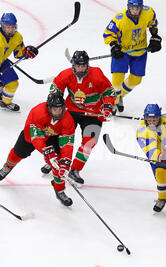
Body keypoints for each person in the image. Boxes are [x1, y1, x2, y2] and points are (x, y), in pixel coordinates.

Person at [41, 50, 115, 185]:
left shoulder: (97, 74)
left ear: (87, 65)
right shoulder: (66, 74)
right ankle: (55, 160)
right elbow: (55, 88)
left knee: (89, 142)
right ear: (73, 65)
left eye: (83, 65)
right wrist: (56, 102)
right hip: (71, 110)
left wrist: (108, 106)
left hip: (93, 113)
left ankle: (74, 170)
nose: (80, 68)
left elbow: (109, 91)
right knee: (61, 135)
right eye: (78, 65)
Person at [0, 92, 75, 206]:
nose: (58, 112)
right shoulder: (38, 112)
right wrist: (47, 151)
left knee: (59, 163)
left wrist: (65, 161)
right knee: (17, 153)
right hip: (31, 136)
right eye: (55, 109)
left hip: (52, 137)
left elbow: (67, 143)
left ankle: (59, 190)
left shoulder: (68, 120)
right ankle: (7, 166)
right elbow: (36, 138)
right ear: (48, 107)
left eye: (60, 109)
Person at [103, 0, 161, 113]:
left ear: (141, 7)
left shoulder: (148, 12)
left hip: (140, 52)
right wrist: (114, 46)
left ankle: (119, 96)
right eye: (132, 8)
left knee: (136, 80)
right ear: (128, 7)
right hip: (122, 52)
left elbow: (153, 25)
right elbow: (108, 34)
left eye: (137, 8)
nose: (135, 11)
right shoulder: (119, 19)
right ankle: (113, 101)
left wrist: (155, 36)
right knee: (116, 82)